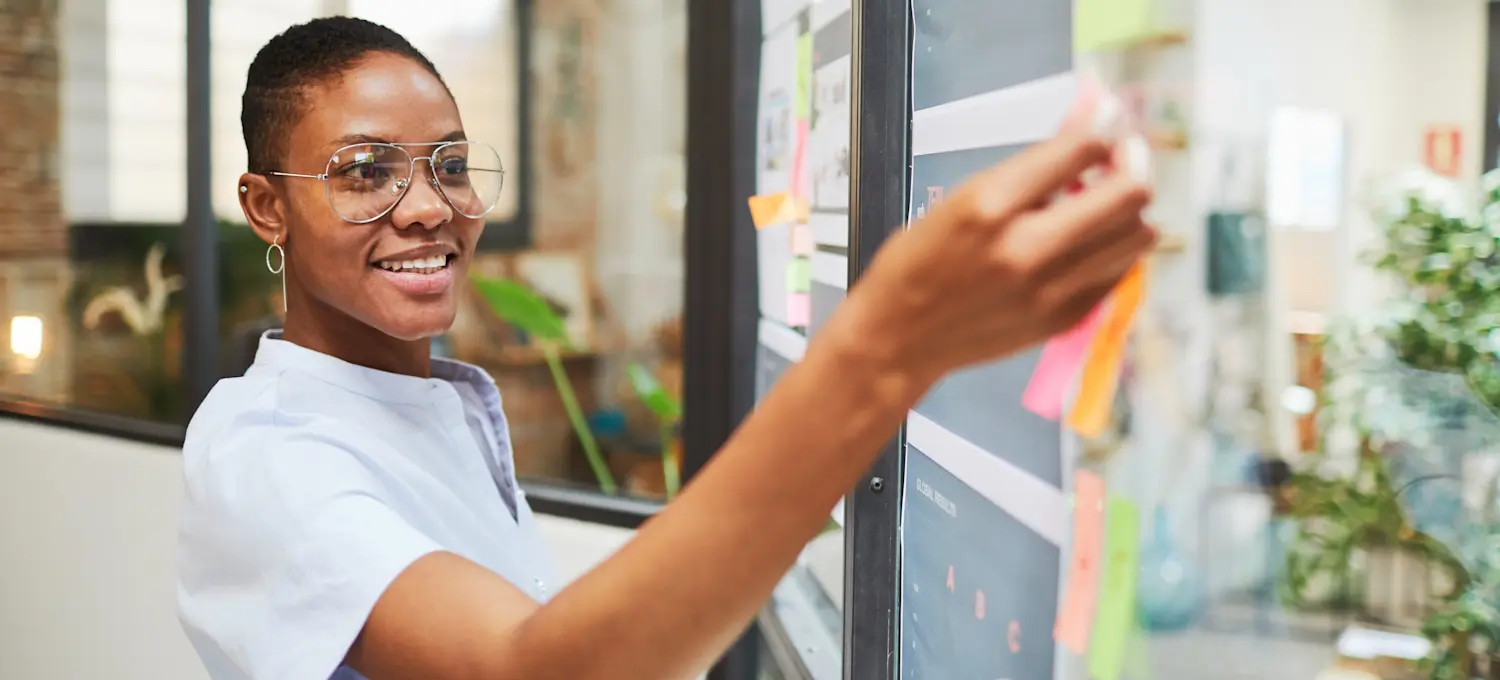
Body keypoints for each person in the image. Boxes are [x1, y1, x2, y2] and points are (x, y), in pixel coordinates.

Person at [176, 16, 1155, 680]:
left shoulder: (435, 400)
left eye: (451, 164)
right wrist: (885, 350)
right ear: (267, 206)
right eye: (363, 172)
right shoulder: (266, 452)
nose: (429, 205)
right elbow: (530, 666)